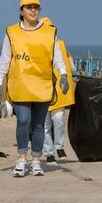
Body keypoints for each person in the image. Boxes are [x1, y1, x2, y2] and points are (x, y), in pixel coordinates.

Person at [0, 0, 69, 177]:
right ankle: (22, 158)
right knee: (23, 120)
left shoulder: (49, 31)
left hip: (42, 85)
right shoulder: (11, 32)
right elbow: (5, 59)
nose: (33, 10)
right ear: (21, 11)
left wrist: (64, 74)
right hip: (20, 85)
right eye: (29, 7)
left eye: (36, 7)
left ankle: (36, 160)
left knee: (38, 125)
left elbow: (56, 55)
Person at [39, 17, 74, 163]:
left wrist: (73, 70)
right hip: (42, 89)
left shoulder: (60, 44)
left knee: (58, 118)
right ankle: (49, 152)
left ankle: (59, 146)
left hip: (59, 90)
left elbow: (69, 57)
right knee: (45, 123)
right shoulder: (38, 46)